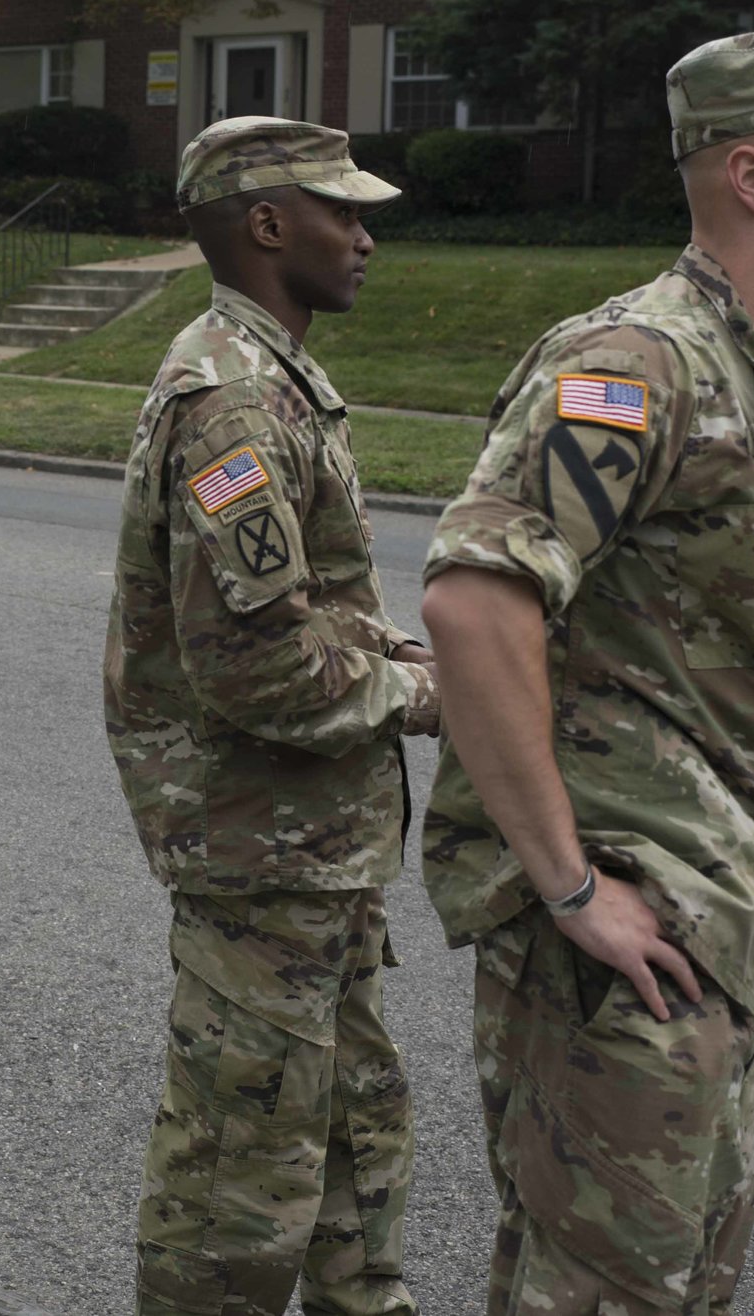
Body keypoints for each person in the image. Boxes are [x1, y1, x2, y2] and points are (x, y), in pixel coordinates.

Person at [416, 31, 754, 1314]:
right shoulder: (635, 366)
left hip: (699, 937)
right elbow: (472, 603)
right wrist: (569, 888)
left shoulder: (727, 372)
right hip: (626, 953)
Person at [106, 115, 441, 1316]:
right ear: (265, 225)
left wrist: (397, 648)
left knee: (350, 1133)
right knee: (238, 1178)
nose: (364, 237)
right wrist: (426, 693)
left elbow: (307, 615)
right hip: (263, 851)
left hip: (314, 848)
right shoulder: (232, 405)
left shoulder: (274, 377)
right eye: (342, 213)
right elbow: (256, 671)